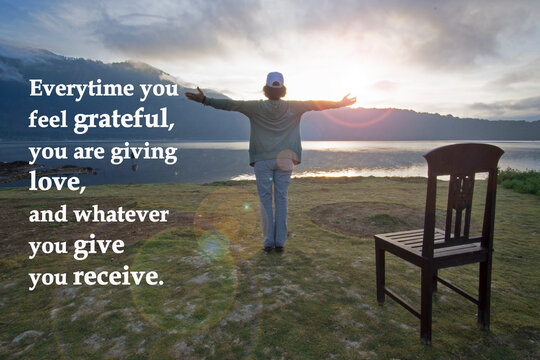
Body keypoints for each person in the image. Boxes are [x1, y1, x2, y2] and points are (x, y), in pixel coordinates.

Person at [185, 72, 356, 253]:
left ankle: (268, 242)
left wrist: (205, 100)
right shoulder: (295, 107)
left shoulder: (255, 107)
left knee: (266, 201)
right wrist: (340, 103)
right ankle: (280, 243)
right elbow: (318, 105)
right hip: (285, 161)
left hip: (262, 160)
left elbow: (230, 105)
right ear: (283, 90)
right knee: (281, 200)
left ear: (266, 89)